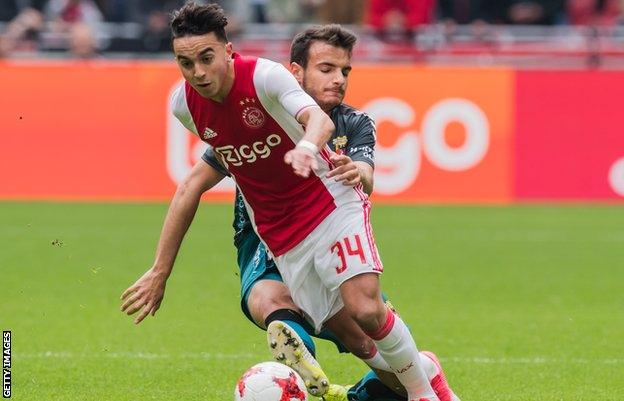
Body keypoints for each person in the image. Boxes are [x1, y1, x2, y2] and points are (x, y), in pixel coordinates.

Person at [121, 3, 455, 400]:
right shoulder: (184, 106)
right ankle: (423, 371)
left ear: (227, 52)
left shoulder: (265, 76)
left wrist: (308, 148)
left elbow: (320, 121)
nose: (198, 72)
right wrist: (161, 270)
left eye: (206, 58)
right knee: (356, 336)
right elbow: (194, 183)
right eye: (185, 62)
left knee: (365, 307)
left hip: (331, 206)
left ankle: (427, 396)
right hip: (283, 240)